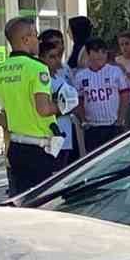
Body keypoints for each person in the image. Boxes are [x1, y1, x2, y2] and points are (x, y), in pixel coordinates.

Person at [0, 16, 60, 197]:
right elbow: (43, 109)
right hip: (39, 149)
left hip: (15, 147)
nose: (38, 41)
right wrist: (62, 106)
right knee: (44, 201)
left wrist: (7, 122)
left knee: (22, 201)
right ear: (25, 39)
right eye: (35, 36)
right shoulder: (37, 68)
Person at [74, 37, 130, 153]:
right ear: (88, 54)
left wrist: (120, 119)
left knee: (115, 158)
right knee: (94, 161)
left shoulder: (115, 71)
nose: (100, 55)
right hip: (92, 127)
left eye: (103, 52)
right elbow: (78, 100)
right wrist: (83, 121)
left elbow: (125, 95)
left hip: (113, 125)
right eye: (96, 52)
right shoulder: (80, 76)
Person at [40, 33, 81, 168]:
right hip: (50, 136)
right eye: (52, 57)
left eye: (58, 56)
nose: (57, 60)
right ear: (41, 58)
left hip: (66, 134)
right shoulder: (41, 81)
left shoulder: (60, 77)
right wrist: (63, 107)